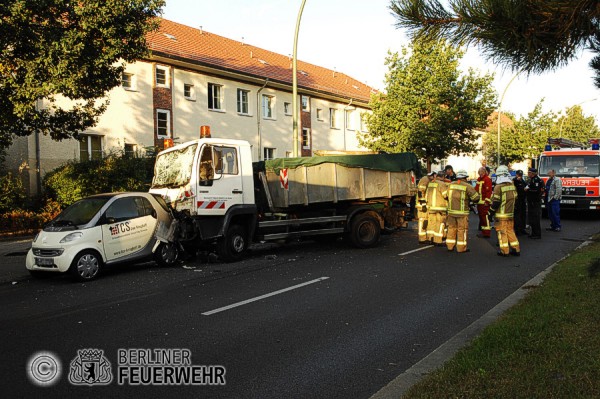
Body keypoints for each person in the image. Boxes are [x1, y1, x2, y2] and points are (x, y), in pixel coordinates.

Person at [445, 170, 480, 253]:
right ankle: (461, 248)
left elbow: (446, 196)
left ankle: (450, 246)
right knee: (462, 230)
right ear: (465, 177)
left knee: (451, 228)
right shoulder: (467, 186)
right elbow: (476, 198)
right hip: (462, 213)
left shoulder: (451, 185)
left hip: (451, 212)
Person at [489, 165, 520, 256]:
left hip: (501, 215)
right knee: (510, 231)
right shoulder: (512, 185)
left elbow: (496, 202)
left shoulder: (498, 187)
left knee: (502, 232)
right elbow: (516, 198)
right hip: (510, 214)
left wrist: (490, 213)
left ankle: (504, 251)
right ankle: (516, 249)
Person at [425, 171, 449, 245]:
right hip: (440, 208)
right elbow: (445, 195)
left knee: (431, 223)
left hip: (431, 207)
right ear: (443, 177)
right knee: (440, 223)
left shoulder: (431, 183)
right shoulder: (442, 184)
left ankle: (430, 238)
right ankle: (437, 240)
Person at [417, 171, 436, 244]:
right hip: (422, 205)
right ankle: (422, 238)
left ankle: (425, 237)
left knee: (426, 221)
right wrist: (423, 203)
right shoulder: (425, 180)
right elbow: (420, 192)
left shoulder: (427, 179)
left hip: (424, 204)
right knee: (423, 221)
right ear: (432, 175)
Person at [525, 167, 544, 239]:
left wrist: (528, 190)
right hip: (531, 201)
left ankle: (537, 234)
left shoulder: (537, 180)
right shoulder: (532, 180)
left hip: (535, 202)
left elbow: (537, 191)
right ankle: (533, 233)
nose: (528, 174)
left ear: (532, 173)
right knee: (531, 218)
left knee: (535, 218)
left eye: (529, 173)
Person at [475, 166, 493, 238]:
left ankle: (487, 233)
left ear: (485, 172)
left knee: (485, 218)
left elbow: (488, 192)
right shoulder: (479, 179)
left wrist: (487, 201)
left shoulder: (487, 179)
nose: (480, 174)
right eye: (479, 173)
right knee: (481, 218)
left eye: (482, 172)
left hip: (484, 202)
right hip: (479, 202)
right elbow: (476, 189)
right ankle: (483, 232)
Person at [512, 170, 527, 235]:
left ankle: (522, 229)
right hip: (517, 200)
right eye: (519, 174)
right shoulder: (514, 181)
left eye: (521, 175)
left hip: (522, 200)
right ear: (517, 174)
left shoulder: (522, 181)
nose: (520, 176)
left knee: (523, 215)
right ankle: (517, 229)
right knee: (517, 215)